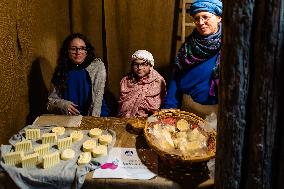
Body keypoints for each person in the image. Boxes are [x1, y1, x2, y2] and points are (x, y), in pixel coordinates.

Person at [163, 0, 222, 118]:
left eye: (205, 17)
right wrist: (169, 109)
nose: (200, 22)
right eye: (196, 18)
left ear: (219, 17)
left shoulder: (230, 47)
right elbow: (176, 78)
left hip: (215, 115)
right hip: (187, 111)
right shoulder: (188, 47)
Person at [47, 33, 109, 116]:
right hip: (69, 116)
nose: (78, 52)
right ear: (67, 51)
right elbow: (50, 103)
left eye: (82, 48)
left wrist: (92, 121)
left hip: (95, 114)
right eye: (73, 49)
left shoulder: (97, 67)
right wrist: (63, 105)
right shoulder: (61, 71)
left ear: (86, 51)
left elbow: (97, 103)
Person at [118, 50, 166, 118]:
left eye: (144, 64)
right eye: (136, 64)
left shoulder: (157, 81)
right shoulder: (126, 81)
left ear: (150, 66)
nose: (139, 68)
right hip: (125, 119)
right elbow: (122, 106)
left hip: (149, 120)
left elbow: (156, 108)